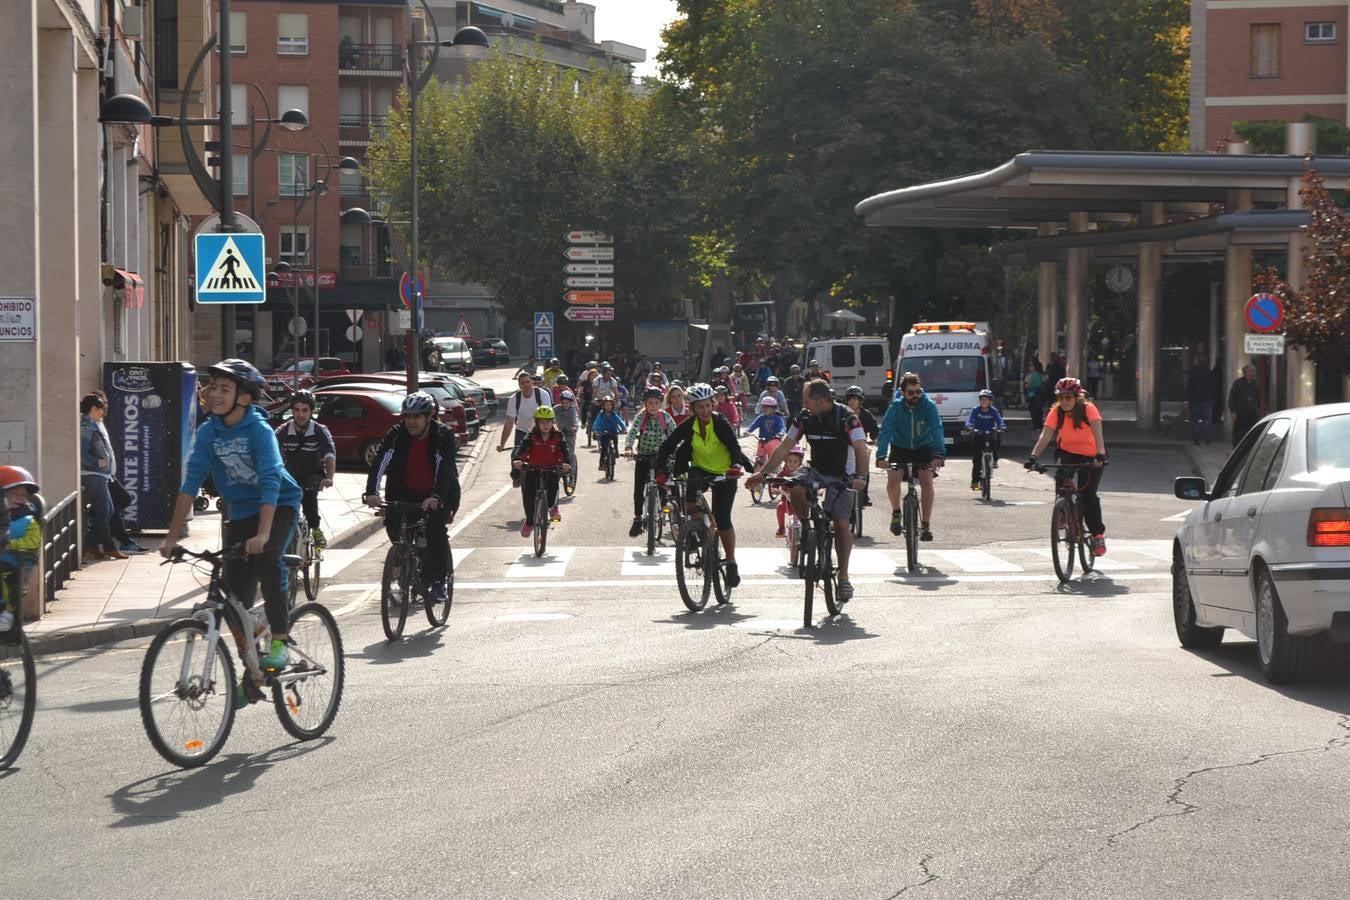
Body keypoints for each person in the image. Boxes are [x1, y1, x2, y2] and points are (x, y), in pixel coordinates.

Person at [162, 360, 304, 693]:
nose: (214, 393)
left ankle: (280, 640)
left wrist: (265, 533)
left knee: (268, 559)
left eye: (225, 388)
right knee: (235, 599)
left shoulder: (259, 430)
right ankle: (252, 674)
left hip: (278, 504)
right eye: (212, 386)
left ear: (244, 397)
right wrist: (170, 538)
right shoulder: (209, 432)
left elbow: (270, 479)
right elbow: (190, 482)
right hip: (240, 510)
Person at [748, 379, 870, 602]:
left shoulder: (847, 418)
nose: (803, 404)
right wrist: (763, 474)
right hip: (817, 468)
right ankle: (808, 530)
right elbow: (785, 446)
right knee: (794, 487)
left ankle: (843, 577)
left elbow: (862, 450)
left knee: (841, 523)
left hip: (844, 474)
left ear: (821, 401)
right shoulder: (805, 416)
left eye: (807, 400)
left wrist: (860, 477)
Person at [363, 391, 461, 600]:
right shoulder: (397, 435)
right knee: (393, 523)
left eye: (416, 417)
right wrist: (372, 491)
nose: (411, 422)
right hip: (404, 490)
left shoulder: (443, 435)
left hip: (439, 491)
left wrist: (436, 497)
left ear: (429, 417)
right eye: (407, 416)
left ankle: (437, 581)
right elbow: (381, 461)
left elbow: (444, 470)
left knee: (435, 530)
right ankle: (403, 558)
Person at [655, 383, 754, 588]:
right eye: (700, 407)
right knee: (689, 498)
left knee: (723, 519)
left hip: (725, 472)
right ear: (692, 409)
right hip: (700, 469)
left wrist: (736, 465)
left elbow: (734, 447)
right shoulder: (689, 425)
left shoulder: (720, 423)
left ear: (713, 404)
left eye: (708, 405)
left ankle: (731, 561)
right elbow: (667, 446)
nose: (705, 410)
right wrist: (661, 472)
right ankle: (694, 532)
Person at [1025, 377, 1109, 556]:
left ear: (1077, 397)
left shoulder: (1089, 409)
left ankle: (1097, 535)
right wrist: (1033, 457)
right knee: (1061, 479)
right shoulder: (1056, 412)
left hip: (1092, 454)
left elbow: (1098, 434)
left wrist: (1100, 454)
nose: (1064, 401)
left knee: (1088, 495)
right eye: (1060, 397)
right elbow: (1045, 436)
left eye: (1068, 397)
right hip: (1067, 452)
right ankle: (1063, 511)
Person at [876, 372, 946, 542]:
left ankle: (926, 525)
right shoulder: (896, 407)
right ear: (903, 392)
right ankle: (896, 512)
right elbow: (886, 431)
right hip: (900, 447)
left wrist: (939, 454)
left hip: (924, 447)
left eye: (918, 392)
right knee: (893, 479)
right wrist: (881, 455)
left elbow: (937, 428)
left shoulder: (927, 405)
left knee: (926, 481)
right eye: (911, 393)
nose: (915, 396)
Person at [274, 389, 337, 549]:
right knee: (281, 505)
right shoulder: (282, 431)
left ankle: (315, 529)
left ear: (311, 411)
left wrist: (329, 477)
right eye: (296, 410)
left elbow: (329, 454)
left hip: (312, 474)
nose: (300, 414)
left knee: (309, 497)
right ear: (292, 410)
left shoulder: (319, 430)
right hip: (290, 475)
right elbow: (271, 454)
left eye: (305, 410)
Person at [80, 392, 129, 561]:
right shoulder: (86, 425)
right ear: (93, 409)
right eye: (101, 408)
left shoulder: (95, 423)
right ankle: (108, 547)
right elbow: (81, 453)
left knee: (107, 510)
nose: (103, 411)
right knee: (104, 510)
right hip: (92, 474)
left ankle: (91, 545)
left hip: (102, 475)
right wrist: (98, 463)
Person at [624, 387, 677, 537]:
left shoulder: (665, 417)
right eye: (650, 403)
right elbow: (632, 432)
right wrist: (629, 447)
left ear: (661, 404)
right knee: (638, 487)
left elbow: (675, 432)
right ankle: (637, 518)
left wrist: (677, 446)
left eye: (656, 403)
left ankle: (664, 500)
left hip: (661, 455)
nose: (653, 406)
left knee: (663, 480)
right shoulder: (641, 417)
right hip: (643, 455)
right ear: (645, 404)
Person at [511, 405, 571, 534]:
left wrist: (567, 463)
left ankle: (553, 507)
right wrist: (517, 459)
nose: (545, 425)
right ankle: (529, 522)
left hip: (552, 467)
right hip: (534, 467)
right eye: (542, 422)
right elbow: (521, 449)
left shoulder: (558, 436)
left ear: (552, 422)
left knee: (553, 486)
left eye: (548, 422)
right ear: (537, 423)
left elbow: (566, 451)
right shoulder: (531, 436)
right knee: (528, 495)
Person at [0, 466, 42, 632]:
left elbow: (34, 541)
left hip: (13, 559)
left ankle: (5, 611)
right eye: (14, 493)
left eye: (24, 495)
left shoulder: (28, 520)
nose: (20, 498)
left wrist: (10, 543)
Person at [499, 370, 553, 483]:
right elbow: (509, 422)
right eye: (522, 383)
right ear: (519, 385)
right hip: (522, 431)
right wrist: (502, 443)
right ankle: (517, 477)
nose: (525, 385)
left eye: (527, 382)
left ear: (532, 382)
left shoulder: (542, 394)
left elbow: (549, 417)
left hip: (541, 430)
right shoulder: (514, 399)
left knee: (550, 454)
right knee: (516, 454)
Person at [964, 389, 1006, 490]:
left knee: (994, 445)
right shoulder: (976, 410)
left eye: (986, 400)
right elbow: (970, 419)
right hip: (978, 434)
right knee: (977, 460)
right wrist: (969, 426)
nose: (984, 402)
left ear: (990, 401)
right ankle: (975, 482)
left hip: (990, 433)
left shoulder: (994, 411)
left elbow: (999, 420)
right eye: (982, 400)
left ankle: (995, 461)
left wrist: (1002, 426)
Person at [843, 386, 878, 506]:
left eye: (854, 399)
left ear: (860, 400)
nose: (851, 402)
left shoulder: (867, 415)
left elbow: (874, 430)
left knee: (864, 471)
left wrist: (875, 439)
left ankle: (864, 496)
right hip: (846, 448)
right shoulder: (843, 413)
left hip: (862, 447)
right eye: (849, 399)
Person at [773, 446, 806, 537]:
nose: (792, 464)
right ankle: (781, 529)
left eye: (795, 461)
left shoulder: (803, 474)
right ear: (785, 461)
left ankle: (806, 530)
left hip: (799, 502)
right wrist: (774, 489)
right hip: (786, 501)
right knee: (779, 507)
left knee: (805, 514)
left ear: (800, 463)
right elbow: (775, 484)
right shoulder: (782, 473)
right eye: (789, 461)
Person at [591, 396, 628, 472]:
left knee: (615, 440)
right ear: (603, 406)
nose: (608, 407)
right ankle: (601, 463)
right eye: (606, 405)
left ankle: (616, 450)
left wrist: (624, 429)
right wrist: (596, 430)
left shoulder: (614, 414)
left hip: (613, 432)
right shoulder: (600, 415)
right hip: (603, 433)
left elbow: (620, 422)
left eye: (610, 405)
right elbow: (596, 423)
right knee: (604, 448)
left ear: (612, 406)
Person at [1228, 363, 1261, 447]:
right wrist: (1233, 411)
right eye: (1253, 371)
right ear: (1246, 372)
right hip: (1241, 414)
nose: (1255, 373)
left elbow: (1259, 397)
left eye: (1255, 371)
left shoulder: (1256, 383)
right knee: (1239, 434)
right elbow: (1232, 397)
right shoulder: (1238, 383)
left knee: (1252, 433)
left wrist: (1259, 410)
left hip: (1252, 413)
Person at [1185, 354, 1213, 446]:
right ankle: (1207, 437)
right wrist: (1213, 398)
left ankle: (1196, 439)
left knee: (1195, 420)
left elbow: (1189, 386)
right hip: (1206, 399)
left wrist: (1187, 399)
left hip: (1195, 400)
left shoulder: (1192, 372)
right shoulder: (1209, 372)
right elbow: (1213, 386)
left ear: (1197, 361)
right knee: (1206, 419)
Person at [555, 389, 581, 473]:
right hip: (558, 433)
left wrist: (574, 427)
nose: (565, 404)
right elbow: (551, 419)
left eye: (567, 402)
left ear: (571, 402)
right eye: (563, 402)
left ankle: (571, 474)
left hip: (569, 433)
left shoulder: (572, 409)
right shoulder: (556, 408)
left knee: (570, 453)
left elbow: (575, 419)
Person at [1024, 360, 1046, 430]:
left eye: (1031, 366)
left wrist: (1027, 384)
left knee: (1034, 411)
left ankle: (1037, 425)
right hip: (1037, 395)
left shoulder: (1034, 376)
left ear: (1035, 367)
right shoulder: (1040, 375)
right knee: (1038, 411)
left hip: (1033, 395)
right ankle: (1038, 425)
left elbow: (1027, 385)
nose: (1030, 367)